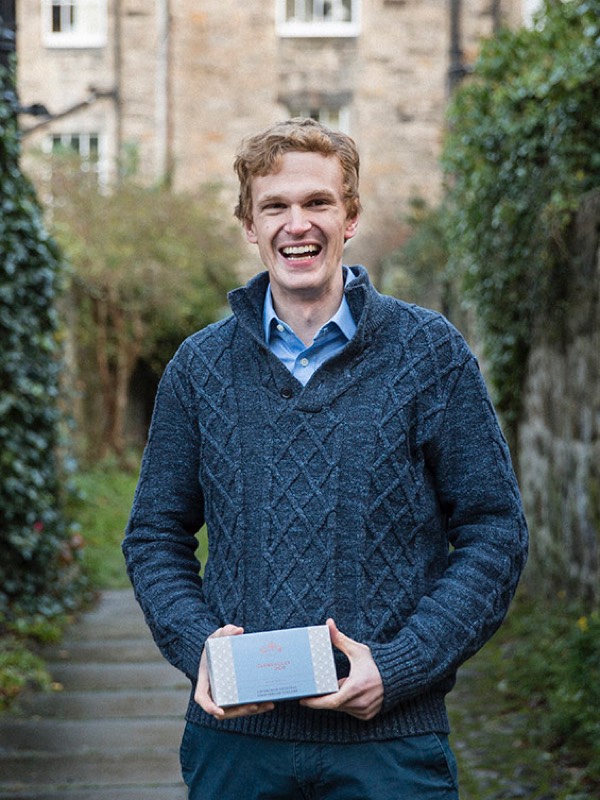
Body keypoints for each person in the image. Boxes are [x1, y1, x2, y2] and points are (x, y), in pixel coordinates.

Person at [123, 117, 528, 800]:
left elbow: (494, 531)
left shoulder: (428, 354)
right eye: (274, 206)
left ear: (351, 217)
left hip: (391, 747)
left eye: (317, 202)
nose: (296, 224)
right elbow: (154, 535)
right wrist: (200, 649)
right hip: (237, 748)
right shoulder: (200, 367)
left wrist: (400, 666)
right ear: (249, 225)